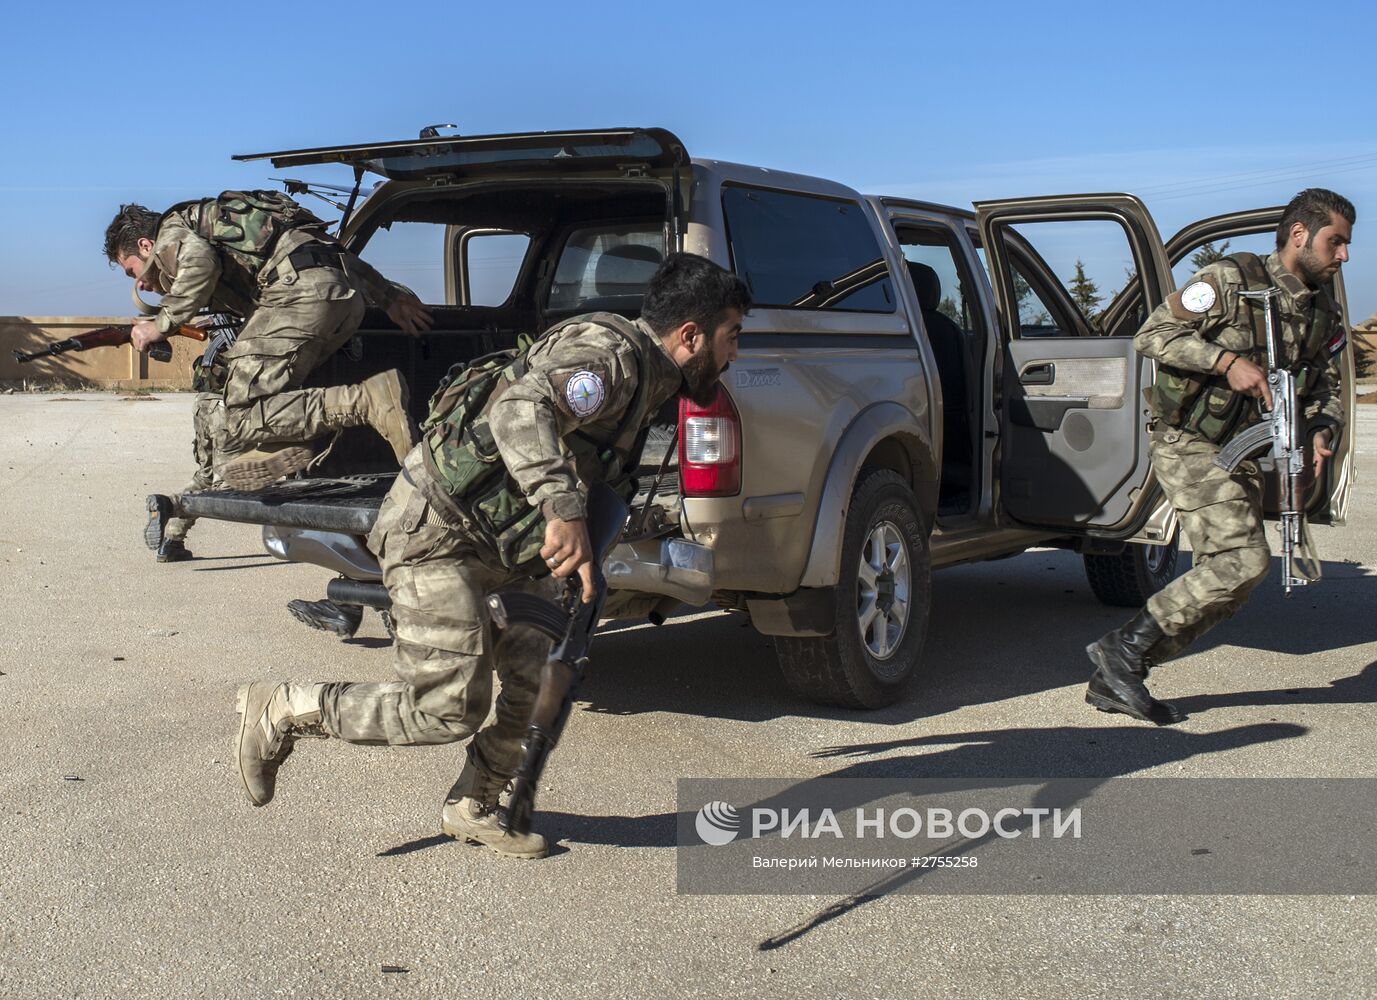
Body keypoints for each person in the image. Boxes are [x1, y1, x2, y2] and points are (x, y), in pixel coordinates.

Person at [233, 252, 749, 858]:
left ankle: (474, 803)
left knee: (539, 677)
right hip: (437, 533)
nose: (737, 352)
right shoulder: (609, 359)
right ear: (691, 335)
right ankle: (286, 707)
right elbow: (518, 409)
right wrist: (563, 509)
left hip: (504, 544)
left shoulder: (650, 382)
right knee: (447, 708)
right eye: (732, 335)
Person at [1085, 188, 1354, 724]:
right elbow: (1152, 334)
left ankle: (1123, 666)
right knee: (1243, 561)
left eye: (1346, 244)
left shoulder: (1320, 308)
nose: (1343, 255)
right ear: (1299, 234)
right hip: (1190, 442)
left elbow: (1325, 384)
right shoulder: (1229, 282)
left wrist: (1322, 430)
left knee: (1234, 581)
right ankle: (1120, 653)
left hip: (1248, 454)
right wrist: (1225, 360)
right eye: (1335, 241)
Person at [103, 193, 434, 489]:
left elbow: (200, 263)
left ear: (146, 246)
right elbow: (327, 249)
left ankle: (368, 400)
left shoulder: (173, 231)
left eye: (132, 272)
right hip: (342, 299)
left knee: (239, 413)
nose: (140, 284)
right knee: (271, 396)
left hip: (296, 295)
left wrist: (160, 325)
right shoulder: (218, 222)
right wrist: (388, 297)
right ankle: (279, 446)